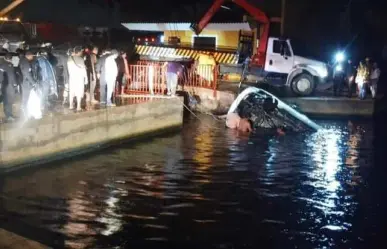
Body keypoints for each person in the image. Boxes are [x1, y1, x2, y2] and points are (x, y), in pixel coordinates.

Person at [67, 46, 88, 111]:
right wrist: (86, 79)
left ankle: (70, 105)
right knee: (79, 92)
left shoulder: (69, 59)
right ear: (78, 52)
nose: (82, 52)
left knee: (71, 92)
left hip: (72, 78)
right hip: (79, 78)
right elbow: (84, 70)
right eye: (81, 51)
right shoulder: (80, 59)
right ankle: (78, 106)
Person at [19, 50, 38, 116]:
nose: (33, 57)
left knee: (27, 97)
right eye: (32, 56)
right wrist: (33, 83)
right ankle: (24, 110)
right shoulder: (25, 63)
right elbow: (27, 74)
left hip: (26, 82)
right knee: (25, 97)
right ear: (28, 56)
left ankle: (25, 108)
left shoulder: (25, 61)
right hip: (26, 83)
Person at [0, 53, 17, 122]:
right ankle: (8, 115)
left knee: (9, 101)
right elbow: (1, 77)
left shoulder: (6, 65)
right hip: (7, 86)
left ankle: (10, 115)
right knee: (7, 101)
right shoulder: (3, 66)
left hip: (8, 86)